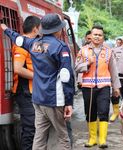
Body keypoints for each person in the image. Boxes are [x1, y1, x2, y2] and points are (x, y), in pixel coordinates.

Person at [1, 13, 75, 149]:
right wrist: (69, 102)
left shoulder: (33, 44)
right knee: (63, 137)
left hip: (37, 99)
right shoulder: (60, 47)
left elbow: (17, 39)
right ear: (57, 29)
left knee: (39, 137)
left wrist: (5, 27)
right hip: (54, 100)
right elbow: (66, 76)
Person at [75, 25, 121, 148]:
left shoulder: (108, 51)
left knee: (104, 111)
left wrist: (116, 87)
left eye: (100, 35)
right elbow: (77, 67)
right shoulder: (83, 50)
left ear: (103, 37)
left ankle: (102, 140)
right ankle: (92, 139)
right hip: (88, 87)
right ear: (90, 36)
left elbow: (114, 70)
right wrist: (87, 63)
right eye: (95, 34)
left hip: (104, 86)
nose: (97, 37)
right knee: (90, 112)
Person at [12, 16, 40, 150]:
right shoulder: (22, 44)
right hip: (25, 92)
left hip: (31, 91)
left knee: (34, 129)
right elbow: (17, 68)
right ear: (35, 29)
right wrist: (40, 76)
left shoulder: (30, 43)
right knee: (30, 129)